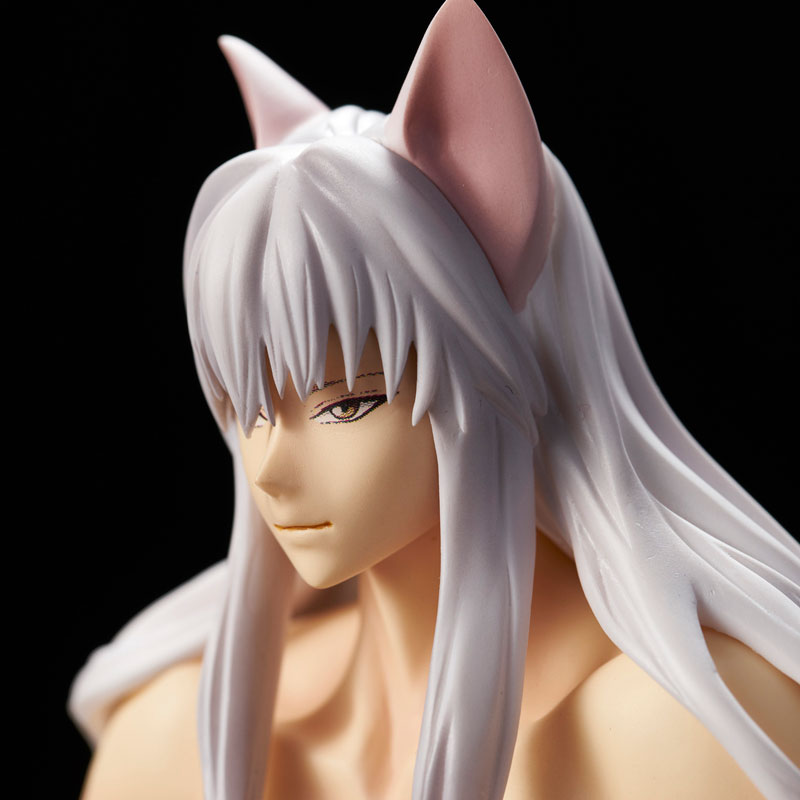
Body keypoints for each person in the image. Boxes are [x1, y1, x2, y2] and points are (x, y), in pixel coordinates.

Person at [70, 1, 800, 798]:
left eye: (346, 405)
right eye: (248, 405)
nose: (269, 468)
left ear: (501, 367)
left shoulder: (682, 739)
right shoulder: (167, 741)